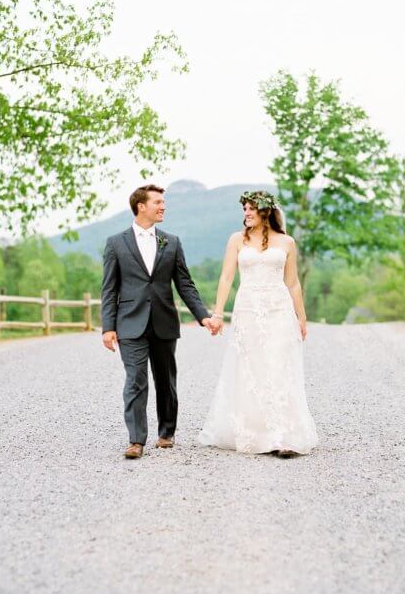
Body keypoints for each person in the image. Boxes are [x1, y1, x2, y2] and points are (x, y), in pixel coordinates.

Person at [100, 184, 221, 460]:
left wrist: (203, 316)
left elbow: (185, 285)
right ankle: (136, 440)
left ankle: (166, 432)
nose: (163, 206)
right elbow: (109, 289)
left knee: (166, 380)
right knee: (135, 380)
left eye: (163, 202)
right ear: (141, 206)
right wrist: (108, 327)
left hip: (164, 321)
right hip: (129, 323)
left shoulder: (172, 242)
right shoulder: (116, 243)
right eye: (158, 202)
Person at [197, 190, 319, 457]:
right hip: (248, 311)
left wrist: (301, 316)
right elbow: (227, 278)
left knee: (278, 367)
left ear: (266, 212)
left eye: (252, 209)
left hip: (278, 311)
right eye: (245, 209)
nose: (247, 213)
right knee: (252, 369)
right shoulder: (236, 240)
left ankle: (283, 436)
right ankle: (256, 432)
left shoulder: (287, 242)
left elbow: (293, 282)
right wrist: (217, 313)